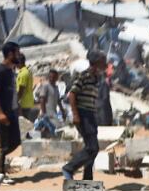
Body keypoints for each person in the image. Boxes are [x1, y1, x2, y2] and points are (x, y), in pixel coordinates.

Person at [62, 52, 108, 180]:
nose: (105, 64)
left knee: (91, 148)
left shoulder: (96, 78)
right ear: (96, 62)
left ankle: (87, 178)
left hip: (90, 114)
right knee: (93, 148)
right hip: (83, 114)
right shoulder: (84, 76)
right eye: (103, 61)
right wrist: (76, 115)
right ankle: (69, 168)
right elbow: (72, 95)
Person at [0, 43, 21, 174]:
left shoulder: (10, 71)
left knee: (15, 142)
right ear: (10, 54)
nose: (19, 55)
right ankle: (0, 175)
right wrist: (0, 113)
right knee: (2, 147)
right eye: (17, 53)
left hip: (11, 113)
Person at [33, 69, 63, 138]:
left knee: (50, 129)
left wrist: (62, 110)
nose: (52, 79)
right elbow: (42, 99)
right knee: (56, 128)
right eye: (51, 77)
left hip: (53, 112)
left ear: (57, 78)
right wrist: (43, 113)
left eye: (54, 77)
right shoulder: (46, 86)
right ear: (49, 77)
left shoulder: (56, 88)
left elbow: (58, 100)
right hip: (47, 113)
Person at [15, 54, 37, 123]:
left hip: (24, 104)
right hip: (29, 101)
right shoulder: (28, 71)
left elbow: (21, 90)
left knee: (25, 124)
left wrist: (15, 102)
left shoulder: (22, 74)